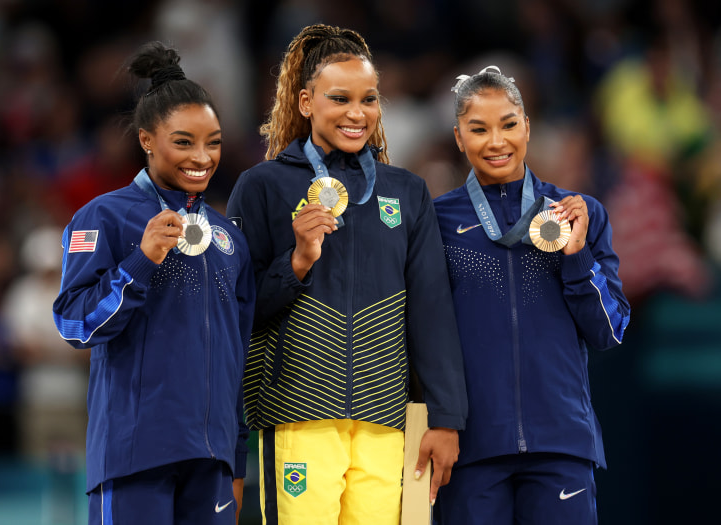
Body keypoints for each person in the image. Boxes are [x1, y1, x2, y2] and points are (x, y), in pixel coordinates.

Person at [226, 23, 467, 525]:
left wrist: (445, 418)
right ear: (306, 101)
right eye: (340, 98)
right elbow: (236, 311)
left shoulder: (406, 192)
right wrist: (296, 263)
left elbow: (431, 311)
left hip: (384, 417)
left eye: (369, 99)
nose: (357, 113)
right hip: (297, 411)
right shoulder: (262, 187)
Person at [52, 41, 255, 525]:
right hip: (134, 453)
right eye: (183, 142)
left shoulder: (229, 238)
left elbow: (239, 354)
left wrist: (237, 459)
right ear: (146, 139)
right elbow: (73, 324)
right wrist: (140, 261)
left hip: (212, 461)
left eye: (214, 142)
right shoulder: (103, 217)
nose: (202, 157)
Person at [432, 65, 631, 525]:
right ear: (459, 138)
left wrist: (576, 256)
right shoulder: (436, 221)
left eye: (508, 124)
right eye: (478, 129)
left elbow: (609, 331)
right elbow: (424, 331)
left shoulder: (577, 214)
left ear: (528, 127)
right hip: (471, 447)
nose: (496, 141)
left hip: (560, 442)